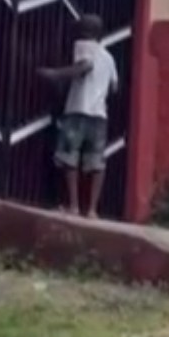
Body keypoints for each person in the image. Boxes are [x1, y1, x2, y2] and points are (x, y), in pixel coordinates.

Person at [36, 15, 118, 218]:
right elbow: (115, 86)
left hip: (78, 110)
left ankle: (73, 206)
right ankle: (92, 210)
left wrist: (54, 74)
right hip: (100, 116)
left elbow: (84, 67)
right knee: (96, 162)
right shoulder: (109, 57)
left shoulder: (83, 44)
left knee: (69, 157)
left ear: (86, 32)